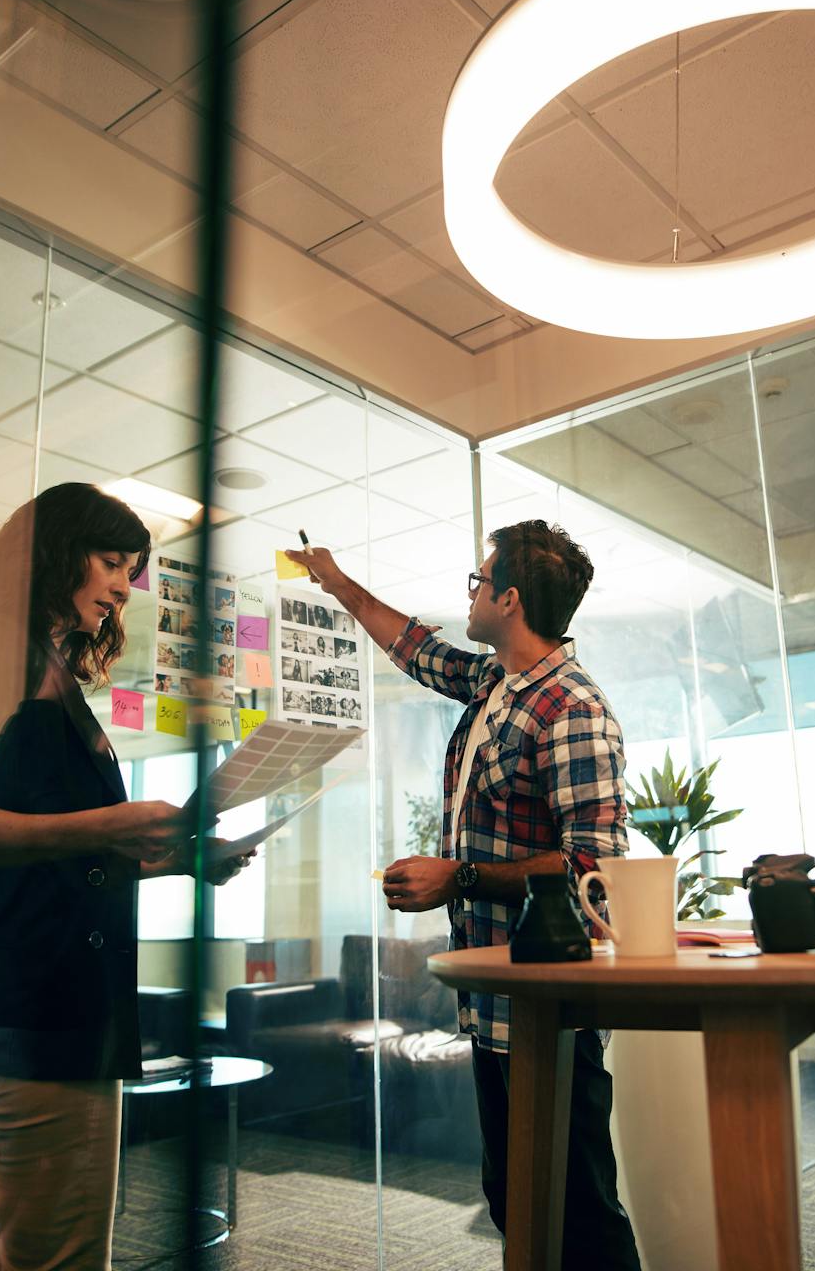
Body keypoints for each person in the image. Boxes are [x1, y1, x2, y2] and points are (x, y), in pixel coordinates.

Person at [283, 520, 641, 1270]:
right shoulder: (494, 686)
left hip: (548, 1010)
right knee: (517, 1201)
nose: (470, 595)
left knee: (582, 1216)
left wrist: (463, 877)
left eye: (479, 583)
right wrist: (335, 580)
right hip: (492, 1002)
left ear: (509, 600)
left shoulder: (571, 708)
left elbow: (596, 872)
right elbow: (414, 647)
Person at [0, 482, 252, 1271]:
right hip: (45, 1014)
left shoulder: (46, 671)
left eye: (130, 570)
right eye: (110, 561)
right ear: (54, 553)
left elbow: (65, 864)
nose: (121, 586)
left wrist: (177, 860)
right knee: (62, 1256)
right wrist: (115, 823)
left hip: (43, 1004)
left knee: (2, 1248)